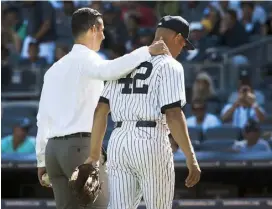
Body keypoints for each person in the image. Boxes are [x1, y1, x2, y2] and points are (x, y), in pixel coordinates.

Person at [35, 8, 169, 209]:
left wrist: (41, 159)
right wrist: (147, 51)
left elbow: (42, 118)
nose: (104, 35)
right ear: (93, 29)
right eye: (102, 29)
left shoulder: (54, 69)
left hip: (54, 152)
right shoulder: (86, 59)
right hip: (79, 149)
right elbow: (112, 69)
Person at [85, 15, 201, 209]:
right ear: (178, 38)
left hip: (118, 141)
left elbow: (100, 111)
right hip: (151, 139)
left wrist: (94, 156)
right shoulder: (170, 65)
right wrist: (191, 157)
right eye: (183, 45)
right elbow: (173, 114)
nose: (181, 50)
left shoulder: (126, 62)